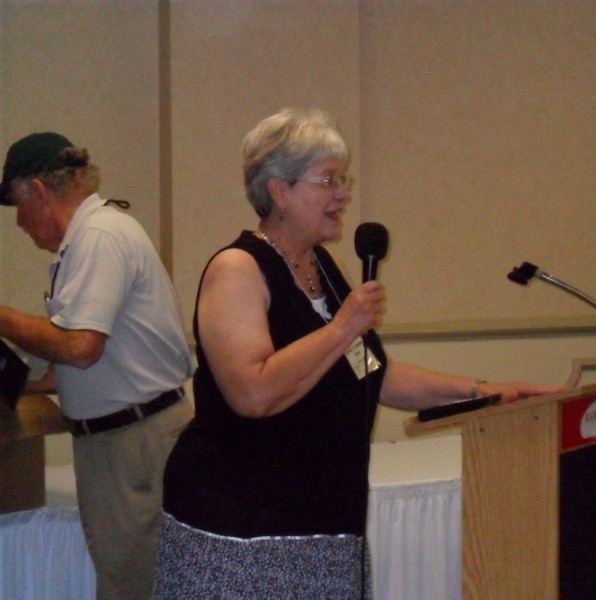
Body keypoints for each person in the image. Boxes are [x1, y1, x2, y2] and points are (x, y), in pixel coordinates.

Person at [153, 108, 560, 599]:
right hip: (243, 526)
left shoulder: (321, 266)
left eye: (341, 179)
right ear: (279, 190)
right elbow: (253, 393)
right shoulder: (237, 269)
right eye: (327, 180)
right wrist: (343, 326)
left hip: (324, 518)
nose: (343, 194)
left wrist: (482, 392)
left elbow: (373, 375)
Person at [0, 132, 194, 599]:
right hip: (126, 439)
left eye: (17, 206)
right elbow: (76, 362)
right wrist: (17, 382)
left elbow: (81, 347)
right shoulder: (91, 239)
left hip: (133, 443)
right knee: (130, 578)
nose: (20, 224)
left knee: (132, 586)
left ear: (40, 191)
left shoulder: (100, 237)